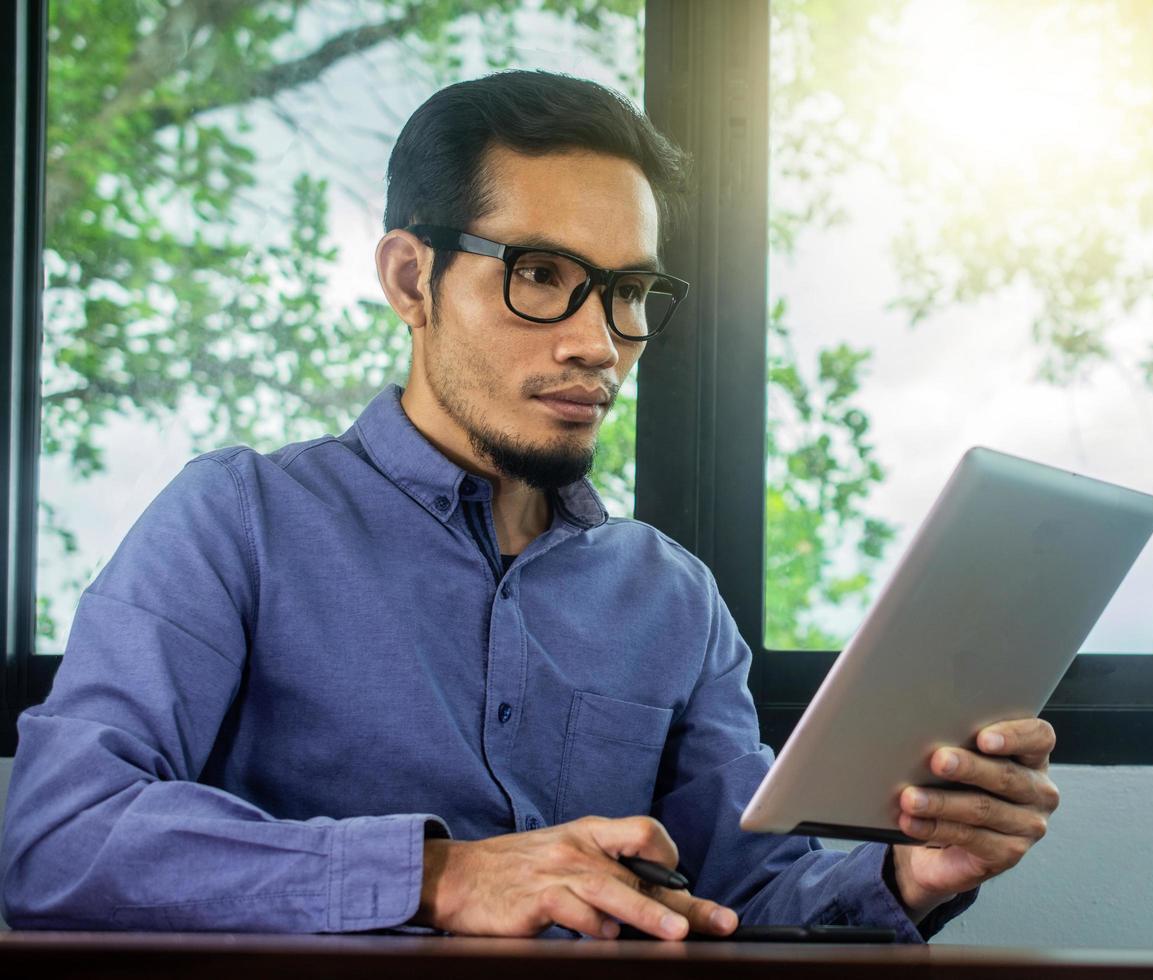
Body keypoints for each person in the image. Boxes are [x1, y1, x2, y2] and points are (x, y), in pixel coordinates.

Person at [0, 70, 1059, 942]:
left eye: (630, 292)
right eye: (541, 274)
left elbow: (748, 901)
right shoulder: (238, 520)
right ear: (412, 280)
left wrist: (910, 872)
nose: (598, 342)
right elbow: (57, 839)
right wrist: (437, 874)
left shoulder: (673, 599)